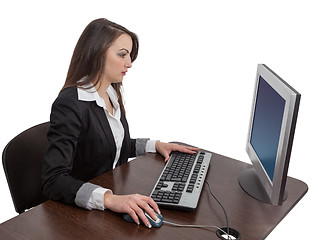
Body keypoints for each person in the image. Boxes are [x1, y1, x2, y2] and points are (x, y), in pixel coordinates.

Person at [41, 18, 198, 229]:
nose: (129, 63)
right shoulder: (70, 103)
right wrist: (110, 199)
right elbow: (53, 181)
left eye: (130, 56)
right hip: (78, 214)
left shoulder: (110, 92)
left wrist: (155, 145)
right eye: (122, 54)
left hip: (109, 193)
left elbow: (115, 145)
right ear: (96, 52)